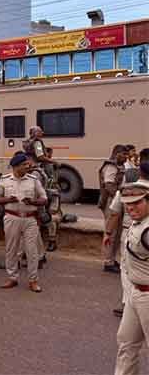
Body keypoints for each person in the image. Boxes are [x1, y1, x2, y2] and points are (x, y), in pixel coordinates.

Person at [0, 154, 47, 292]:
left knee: (32, 251)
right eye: (24, 165)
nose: (27, 166)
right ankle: (12, 278)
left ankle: (33, 280)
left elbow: (44, 199)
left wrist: (33, 202)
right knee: (11, 249)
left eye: (27, 164)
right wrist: (8, 200)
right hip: (11, 218)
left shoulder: (33, 180)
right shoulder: (5, 180)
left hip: (30, 219)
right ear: (16, 167)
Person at [112, 181, 149, 375]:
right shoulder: (138, 222)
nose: (131, 207)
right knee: (126, 343)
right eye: (127, 203)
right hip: (135, 293)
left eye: (137, 202)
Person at [107, 162, 149, 318]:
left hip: (130, 232)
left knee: (127, 269)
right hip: (137, 232)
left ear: (140, 172)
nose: (132, 207)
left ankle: (127, 302)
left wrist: (107, 232)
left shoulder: (127, 189)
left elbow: (114, 213)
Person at [101, 144, 129, 273]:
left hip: (118, 200)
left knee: (117, 233)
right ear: (117, 153)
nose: (126, 157)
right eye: (124, 154)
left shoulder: (120, 166)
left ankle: (112, 259)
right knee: (110, 232)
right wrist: (119, 198)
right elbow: (109, 186)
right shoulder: (110, 167)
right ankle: (108, 261)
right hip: (112, 202)